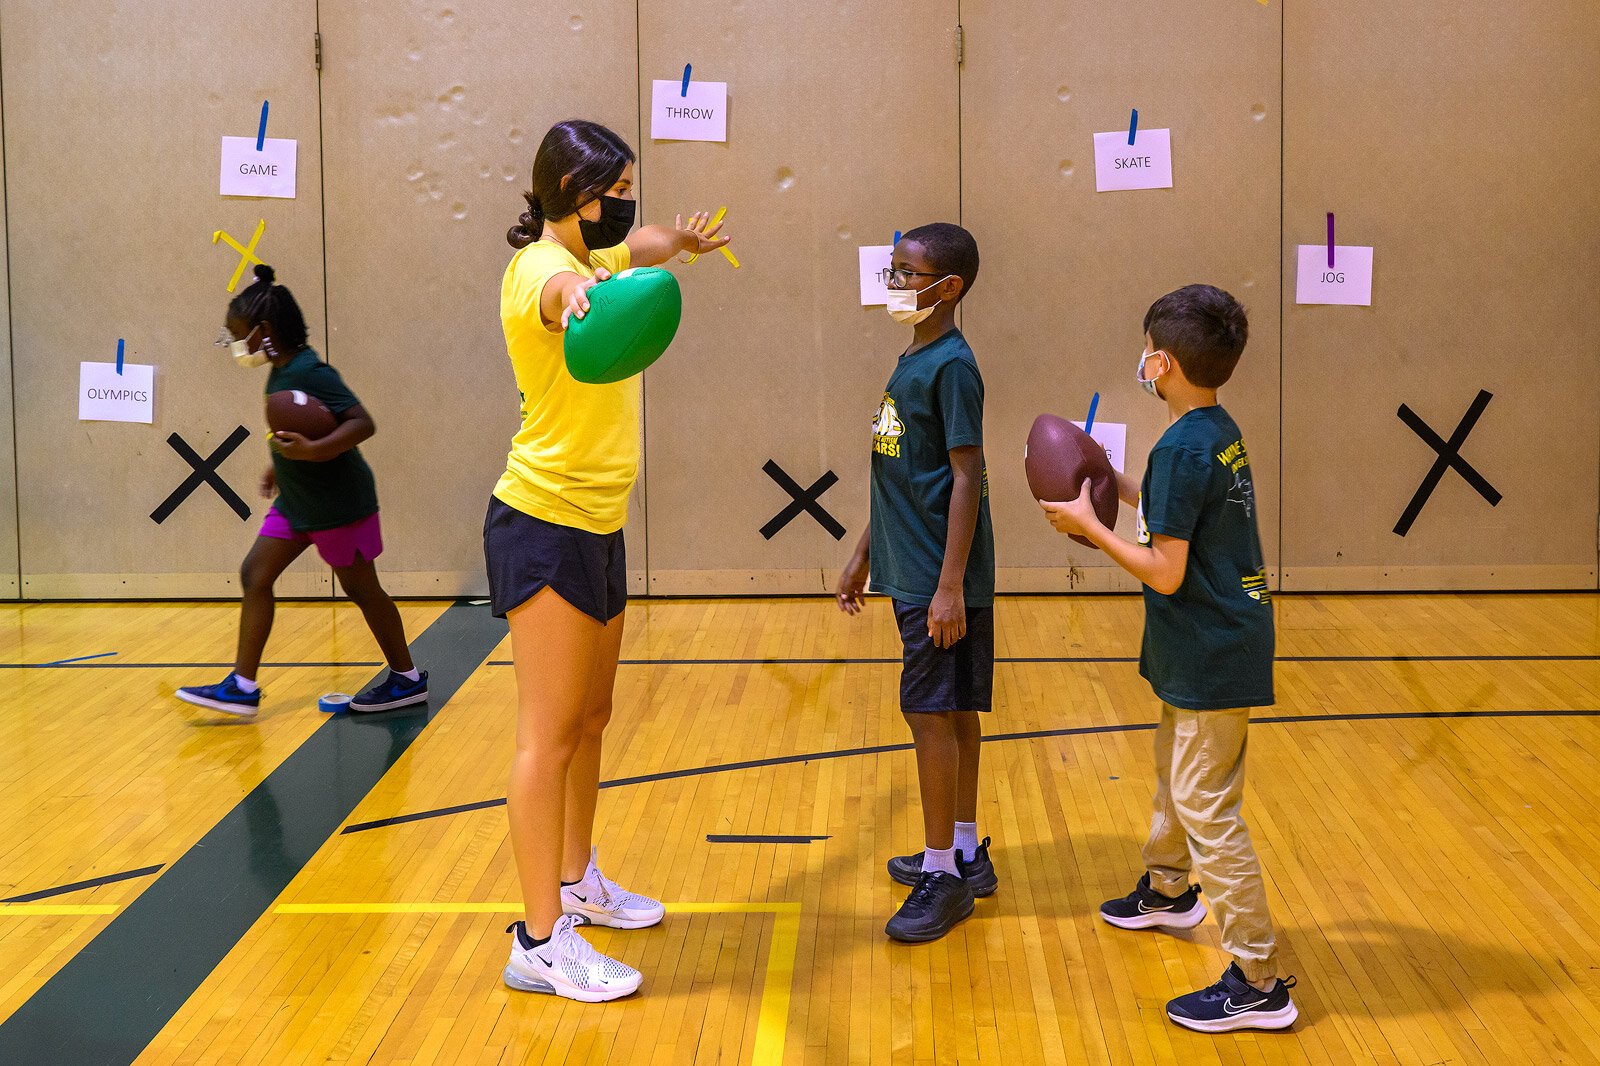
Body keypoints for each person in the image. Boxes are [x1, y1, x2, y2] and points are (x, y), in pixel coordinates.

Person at [490, 119, 730, 1002]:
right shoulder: (540, 272)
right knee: (547, 737)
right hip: (542, 523)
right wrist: (577, 298)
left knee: (592, 717)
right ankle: (539, 939)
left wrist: (687, 244)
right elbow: (555, 292)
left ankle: (579, 878)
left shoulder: (607, 251)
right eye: (613, 190)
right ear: (570, 193)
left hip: (598, 522)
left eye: (631, 189)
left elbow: (650, 243)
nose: (627, 205)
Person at [1040, 284, 1298, 1032]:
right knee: (1173, 773)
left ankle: (1258, 979)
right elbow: (1171, 511)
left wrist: (1092, 526)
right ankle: (1168, 891)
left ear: (1164, 361)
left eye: (1147, 350)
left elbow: (1165, 568)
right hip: (1206, 641)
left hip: (1213, 647)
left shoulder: (1184, 445)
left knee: (1207, 806)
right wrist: (1108, 483)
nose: (1141, 362)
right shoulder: (1211, 428)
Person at [836, 223, 998, 943]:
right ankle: (963, 851)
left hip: (939, 574)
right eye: (895, 269)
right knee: (952, 708)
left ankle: (942, 876)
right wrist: (864, 552)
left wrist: (949, 586)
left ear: (948, 287)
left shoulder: (953, 367)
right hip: (909, 565)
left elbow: (967, 475)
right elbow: (899, 472)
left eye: (907, 272)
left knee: (932, 715)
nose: (894, 282)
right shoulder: (915, 357)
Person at [177, 265, 427, 718]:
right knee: (255, 574)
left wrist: (313, 452)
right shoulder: (279, 370)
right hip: (298, 501)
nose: (235, 345)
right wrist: (279, 464)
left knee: (363, 589)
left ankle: (406, 678)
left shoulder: (313, 371)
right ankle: (243, 685)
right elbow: (297, 427)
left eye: (239, 335)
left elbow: (361, 423)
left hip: (338, 504)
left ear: (264, 331)